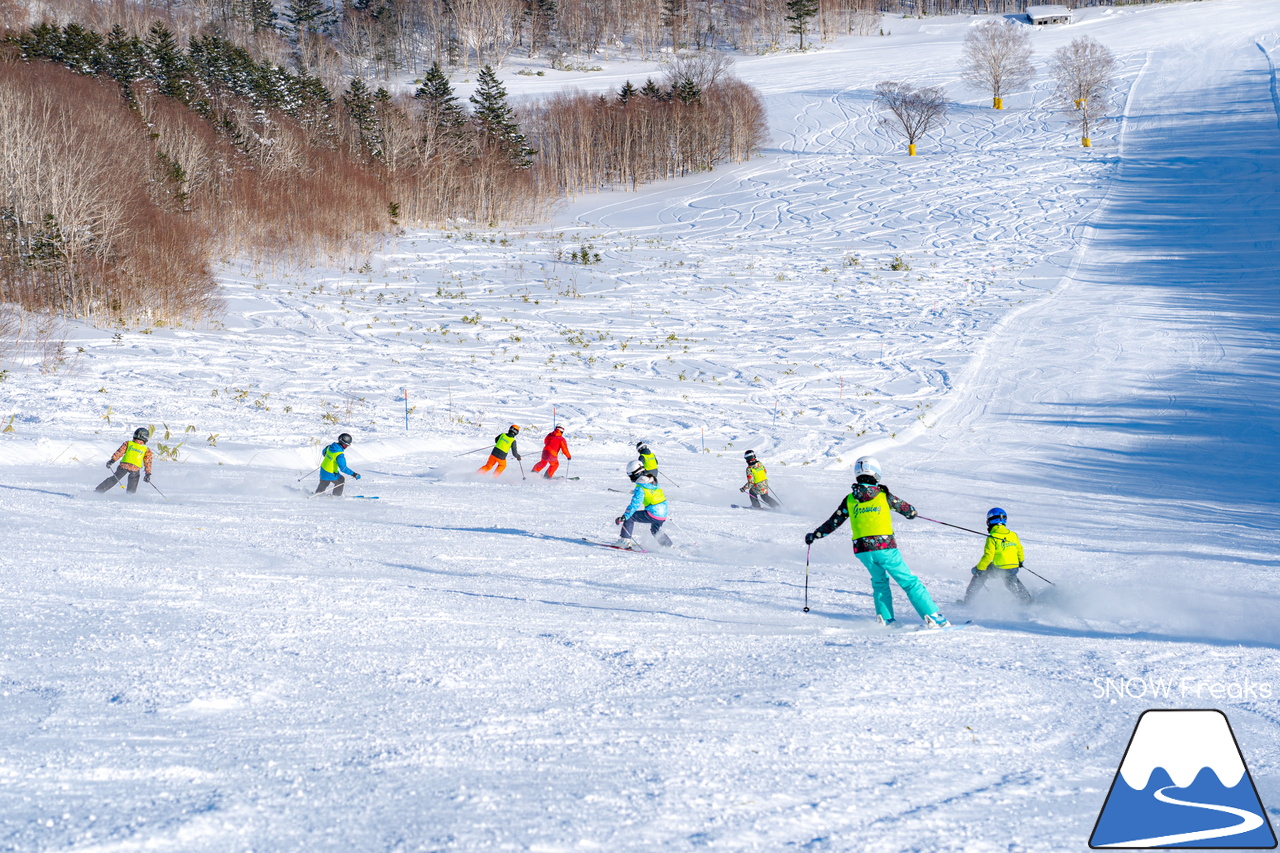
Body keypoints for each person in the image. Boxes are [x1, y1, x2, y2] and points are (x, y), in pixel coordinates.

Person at [804, 456, 950, 628]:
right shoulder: (883, 495)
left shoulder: (850, 499)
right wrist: (912, 513)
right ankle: (932, 615)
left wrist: (816, 534)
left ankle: (885, 618)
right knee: (909, 582)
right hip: (885, 547)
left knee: (880, 582)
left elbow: (834, 521)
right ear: (876, 473)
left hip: (863, 550)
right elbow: (909, 511)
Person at [959, 508, 1033, 605]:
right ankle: (1027, 601)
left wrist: (979, 569)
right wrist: (1020, 561)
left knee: (980, 576)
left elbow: (988, 555)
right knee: (1011, 581)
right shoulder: (1013, 535)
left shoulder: (992, 537)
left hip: (999, 567)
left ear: (989, 521)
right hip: (1013, 566)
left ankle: (968, 602)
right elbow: (1019, 549)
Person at [614, 460, 673, 549]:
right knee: (655, 530)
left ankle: (625, 540)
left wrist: (624, 516)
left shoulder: (640, 487)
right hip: (663, 512)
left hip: (654, 513)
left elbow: (635, 504)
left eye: (630, 475)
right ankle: (668, 546)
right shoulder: (653, 480)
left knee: (630, 517)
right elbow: (654, 494)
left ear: (635, 474)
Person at [96, 427, 154, 494]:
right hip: (135, 468)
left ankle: (99, 490)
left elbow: (120, 452)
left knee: (114, 479)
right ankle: (130, 495)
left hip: (124, 466)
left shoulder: (128, 443)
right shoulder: (146, 449)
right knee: (133, 481)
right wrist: (148, 474)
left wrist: (112, 460)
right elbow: (148, 462)